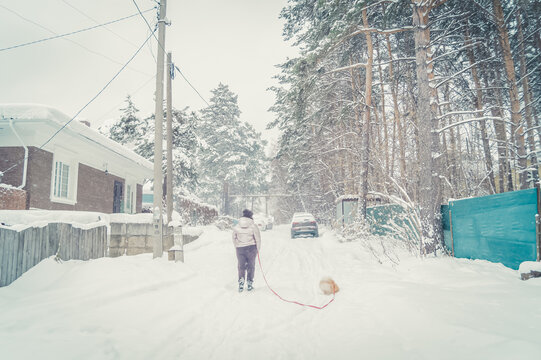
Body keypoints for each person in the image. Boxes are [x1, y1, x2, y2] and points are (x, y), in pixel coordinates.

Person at [232, 209, 261, 292]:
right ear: (251, 216)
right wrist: (257, 250)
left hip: (240, 249)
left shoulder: (237, 226)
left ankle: (241, 282)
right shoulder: (253, 226)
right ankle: (249, 283)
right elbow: (258, 239)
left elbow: (233, 237)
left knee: (241, 266)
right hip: (251, 248)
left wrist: (237, 246)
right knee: (251, 266)